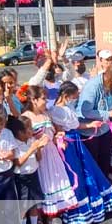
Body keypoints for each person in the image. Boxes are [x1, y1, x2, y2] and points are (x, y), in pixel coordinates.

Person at [51, 82, 112, 224]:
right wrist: (61, 137)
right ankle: (79, 212)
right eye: (74, 96)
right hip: (67, 144)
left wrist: (91, 125)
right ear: (66, 96)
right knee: (76, 175)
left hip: (76, 141)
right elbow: (60, 128)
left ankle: (92, 208)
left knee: (87, 172)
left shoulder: (67, 108)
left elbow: (76, 125)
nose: (75, 99)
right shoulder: (57, 110)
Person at [22, 86, 78, 217]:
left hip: (52, 153)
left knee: (56, 180)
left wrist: (58, 137)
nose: (46, 102)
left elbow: (53, 132)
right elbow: (24, 139)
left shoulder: (45, 114)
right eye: (43, 99)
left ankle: (56, 214)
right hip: (40, 155)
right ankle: (44, 217)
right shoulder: (26, 117)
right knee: (46, 182)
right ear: (33, 100)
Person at [76, 59, 112, 177]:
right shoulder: (93, 86)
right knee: (93, 165)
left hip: (105, 129)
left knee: (105, 162)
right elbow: (85, 111)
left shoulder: (111, 86)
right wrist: (108, 113)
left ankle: (106, 188)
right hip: (90, 132)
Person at [7, 116, 47, 224]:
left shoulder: (31, 140)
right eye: (29, 128)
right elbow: (18, 162)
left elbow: (39, 158)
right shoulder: (15, 144)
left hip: (33, 174)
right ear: (20, 132)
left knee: (34, 203)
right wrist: (31, 149)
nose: (32, 130)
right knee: (23, 206)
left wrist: (38, 148)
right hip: (21, 177)